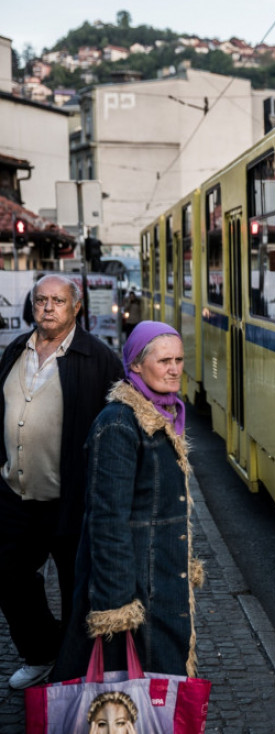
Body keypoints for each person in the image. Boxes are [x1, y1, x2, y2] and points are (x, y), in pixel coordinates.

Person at [53, 321, 202, 682]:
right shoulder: (119, 424)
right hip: (137, 591)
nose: (174, 369)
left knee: (159, 686)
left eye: (179, 360)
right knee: (136, 692)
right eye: (164, 360)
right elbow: (106, 521)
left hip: (160, 580)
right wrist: (117, 609)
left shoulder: (161, 416)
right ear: (135, 364)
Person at [0, 275, 124, 690]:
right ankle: (42, 651)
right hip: (16, 496)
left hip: (72, 502)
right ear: (31, 306)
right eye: (41, 300)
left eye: (58, 300)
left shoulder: (100, 358)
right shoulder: (16, 350)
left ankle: (78, 674)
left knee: (79, 592)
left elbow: (121, 426)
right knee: (8, 574)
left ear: (76, 307)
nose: (48, 307)